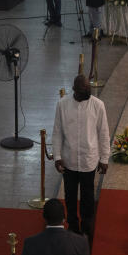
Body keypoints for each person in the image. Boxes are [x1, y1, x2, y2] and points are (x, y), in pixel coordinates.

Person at [52, 75, 110, 237]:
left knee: (87, 196)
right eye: (84, 89)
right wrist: (57, 156)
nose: (88, 91)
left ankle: (87, 225)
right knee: (70, 196)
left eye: (88, 87)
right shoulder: (62, 105)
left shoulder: (98, 105)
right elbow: (57, 133)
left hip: (88, 160)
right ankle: (72, 224)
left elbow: (104, 133)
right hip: (69, 160)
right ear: (75, 90)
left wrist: (104, 158)